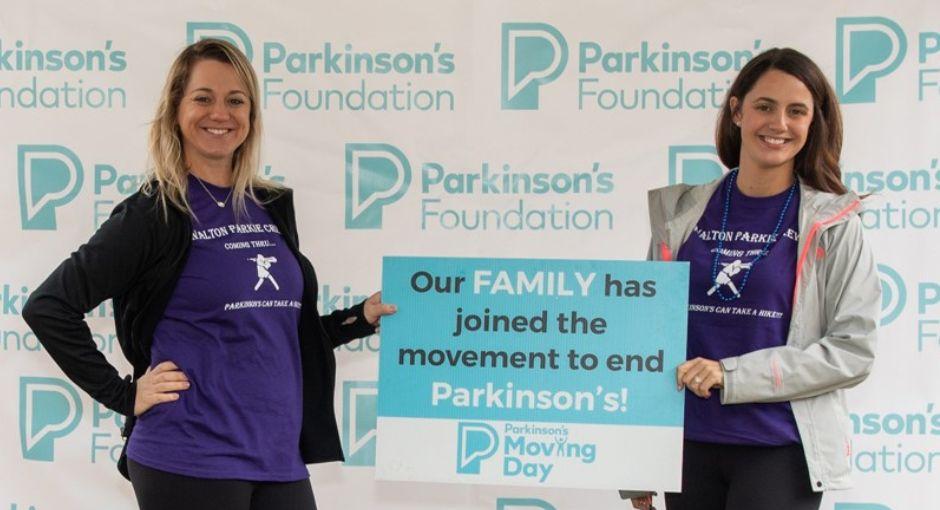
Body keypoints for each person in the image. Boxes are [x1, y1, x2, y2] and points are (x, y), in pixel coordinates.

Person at [22, 39, 395, 510]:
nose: (220, 113)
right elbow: (49, 305)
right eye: (203, 98)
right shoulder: (155, 214)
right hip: (188, 456)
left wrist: (361, 317)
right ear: (176, 110)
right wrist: (123, 394)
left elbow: (273, 334)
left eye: (236, 100)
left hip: (277, 458)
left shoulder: (269, 209)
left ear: (251, 117)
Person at [626, 48, 879, 510]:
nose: (778, 123)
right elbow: (644, 336)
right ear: (738, 110)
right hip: (686, 447)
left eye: (796, 111)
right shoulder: (679, 214)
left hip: (778, 449)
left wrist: (731, 374)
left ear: (812, 123)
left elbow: (852, 350)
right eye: (764, 106)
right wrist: (634, 461)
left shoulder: (835, 224)